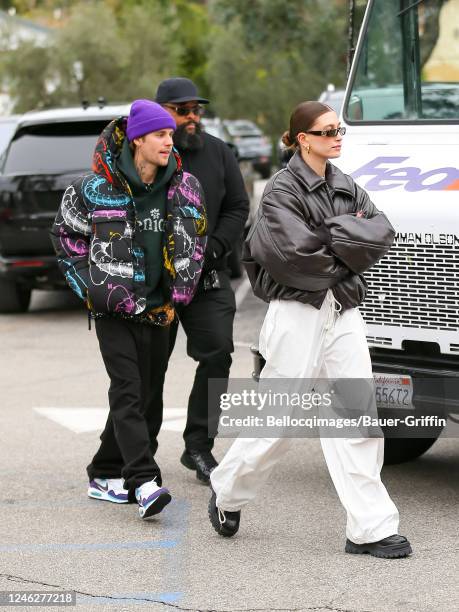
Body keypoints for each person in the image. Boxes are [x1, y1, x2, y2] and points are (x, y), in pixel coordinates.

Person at [207, 101, 412, 559]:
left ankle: (370, 528)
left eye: (339, 129)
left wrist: (332, 240)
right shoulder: (282, 190)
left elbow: (380, 233)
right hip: (296, 311)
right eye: (326, 131)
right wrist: (347, 241)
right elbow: (292, 258)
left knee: (357, 415)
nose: (337, 136)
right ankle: (228, 491)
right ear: (302, 138)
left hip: (342, 310)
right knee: (279, 420)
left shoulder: (345, 184)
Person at [51, 99, 207, 519]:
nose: (168, 141)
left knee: (147, 396)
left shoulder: (184, 185)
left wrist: (184, 287)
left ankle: (104, 470)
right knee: (127, 391)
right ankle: (142, 481)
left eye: (170, 134)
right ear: (138, 139)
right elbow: (66, 237)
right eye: (160, 134)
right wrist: (92, 289)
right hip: (114, 310)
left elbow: (198, 237)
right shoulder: (93, 188)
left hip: (161, 310)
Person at [154, 77, 249, 484]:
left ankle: (198, 447)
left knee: (218, 353)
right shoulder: (146, 153)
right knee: (147, 367)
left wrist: (212, 249)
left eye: (197, 110)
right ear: (163, 114)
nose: (193, 117)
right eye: (183, 110)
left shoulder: (219, 152)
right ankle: (136, 456)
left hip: (207, 276)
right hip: (155, 282)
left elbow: (238, 206)